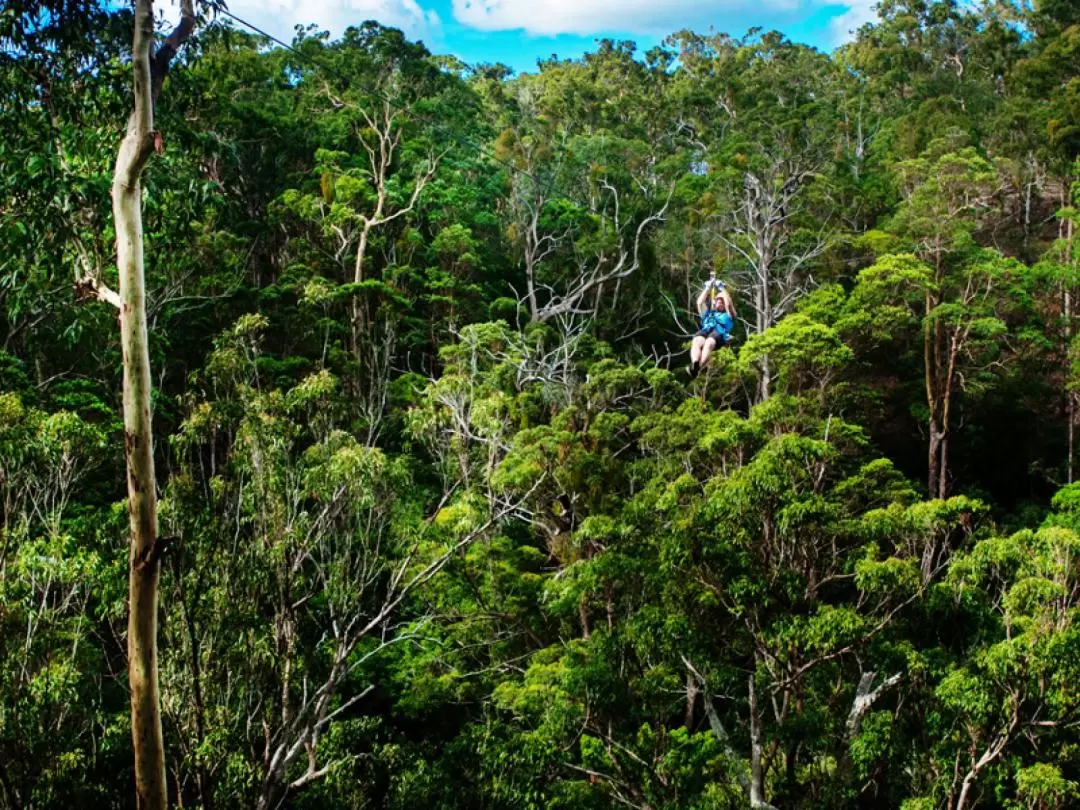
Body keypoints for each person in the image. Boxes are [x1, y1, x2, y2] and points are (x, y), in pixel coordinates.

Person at [689, 280, 734, 376]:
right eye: (719, 301)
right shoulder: (708, 314)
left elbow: (728, 303)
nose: (721, 303)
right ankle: (695, 363)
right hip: (706, 331)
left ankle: (699, 366)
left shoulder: (728, 315)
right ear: (715, 302)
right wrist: (707, 288)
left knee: (709, 342)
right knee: (697, 341)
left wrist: (722, 289)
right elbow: (699, 303)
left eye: (722, 302)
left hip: (718, 333)